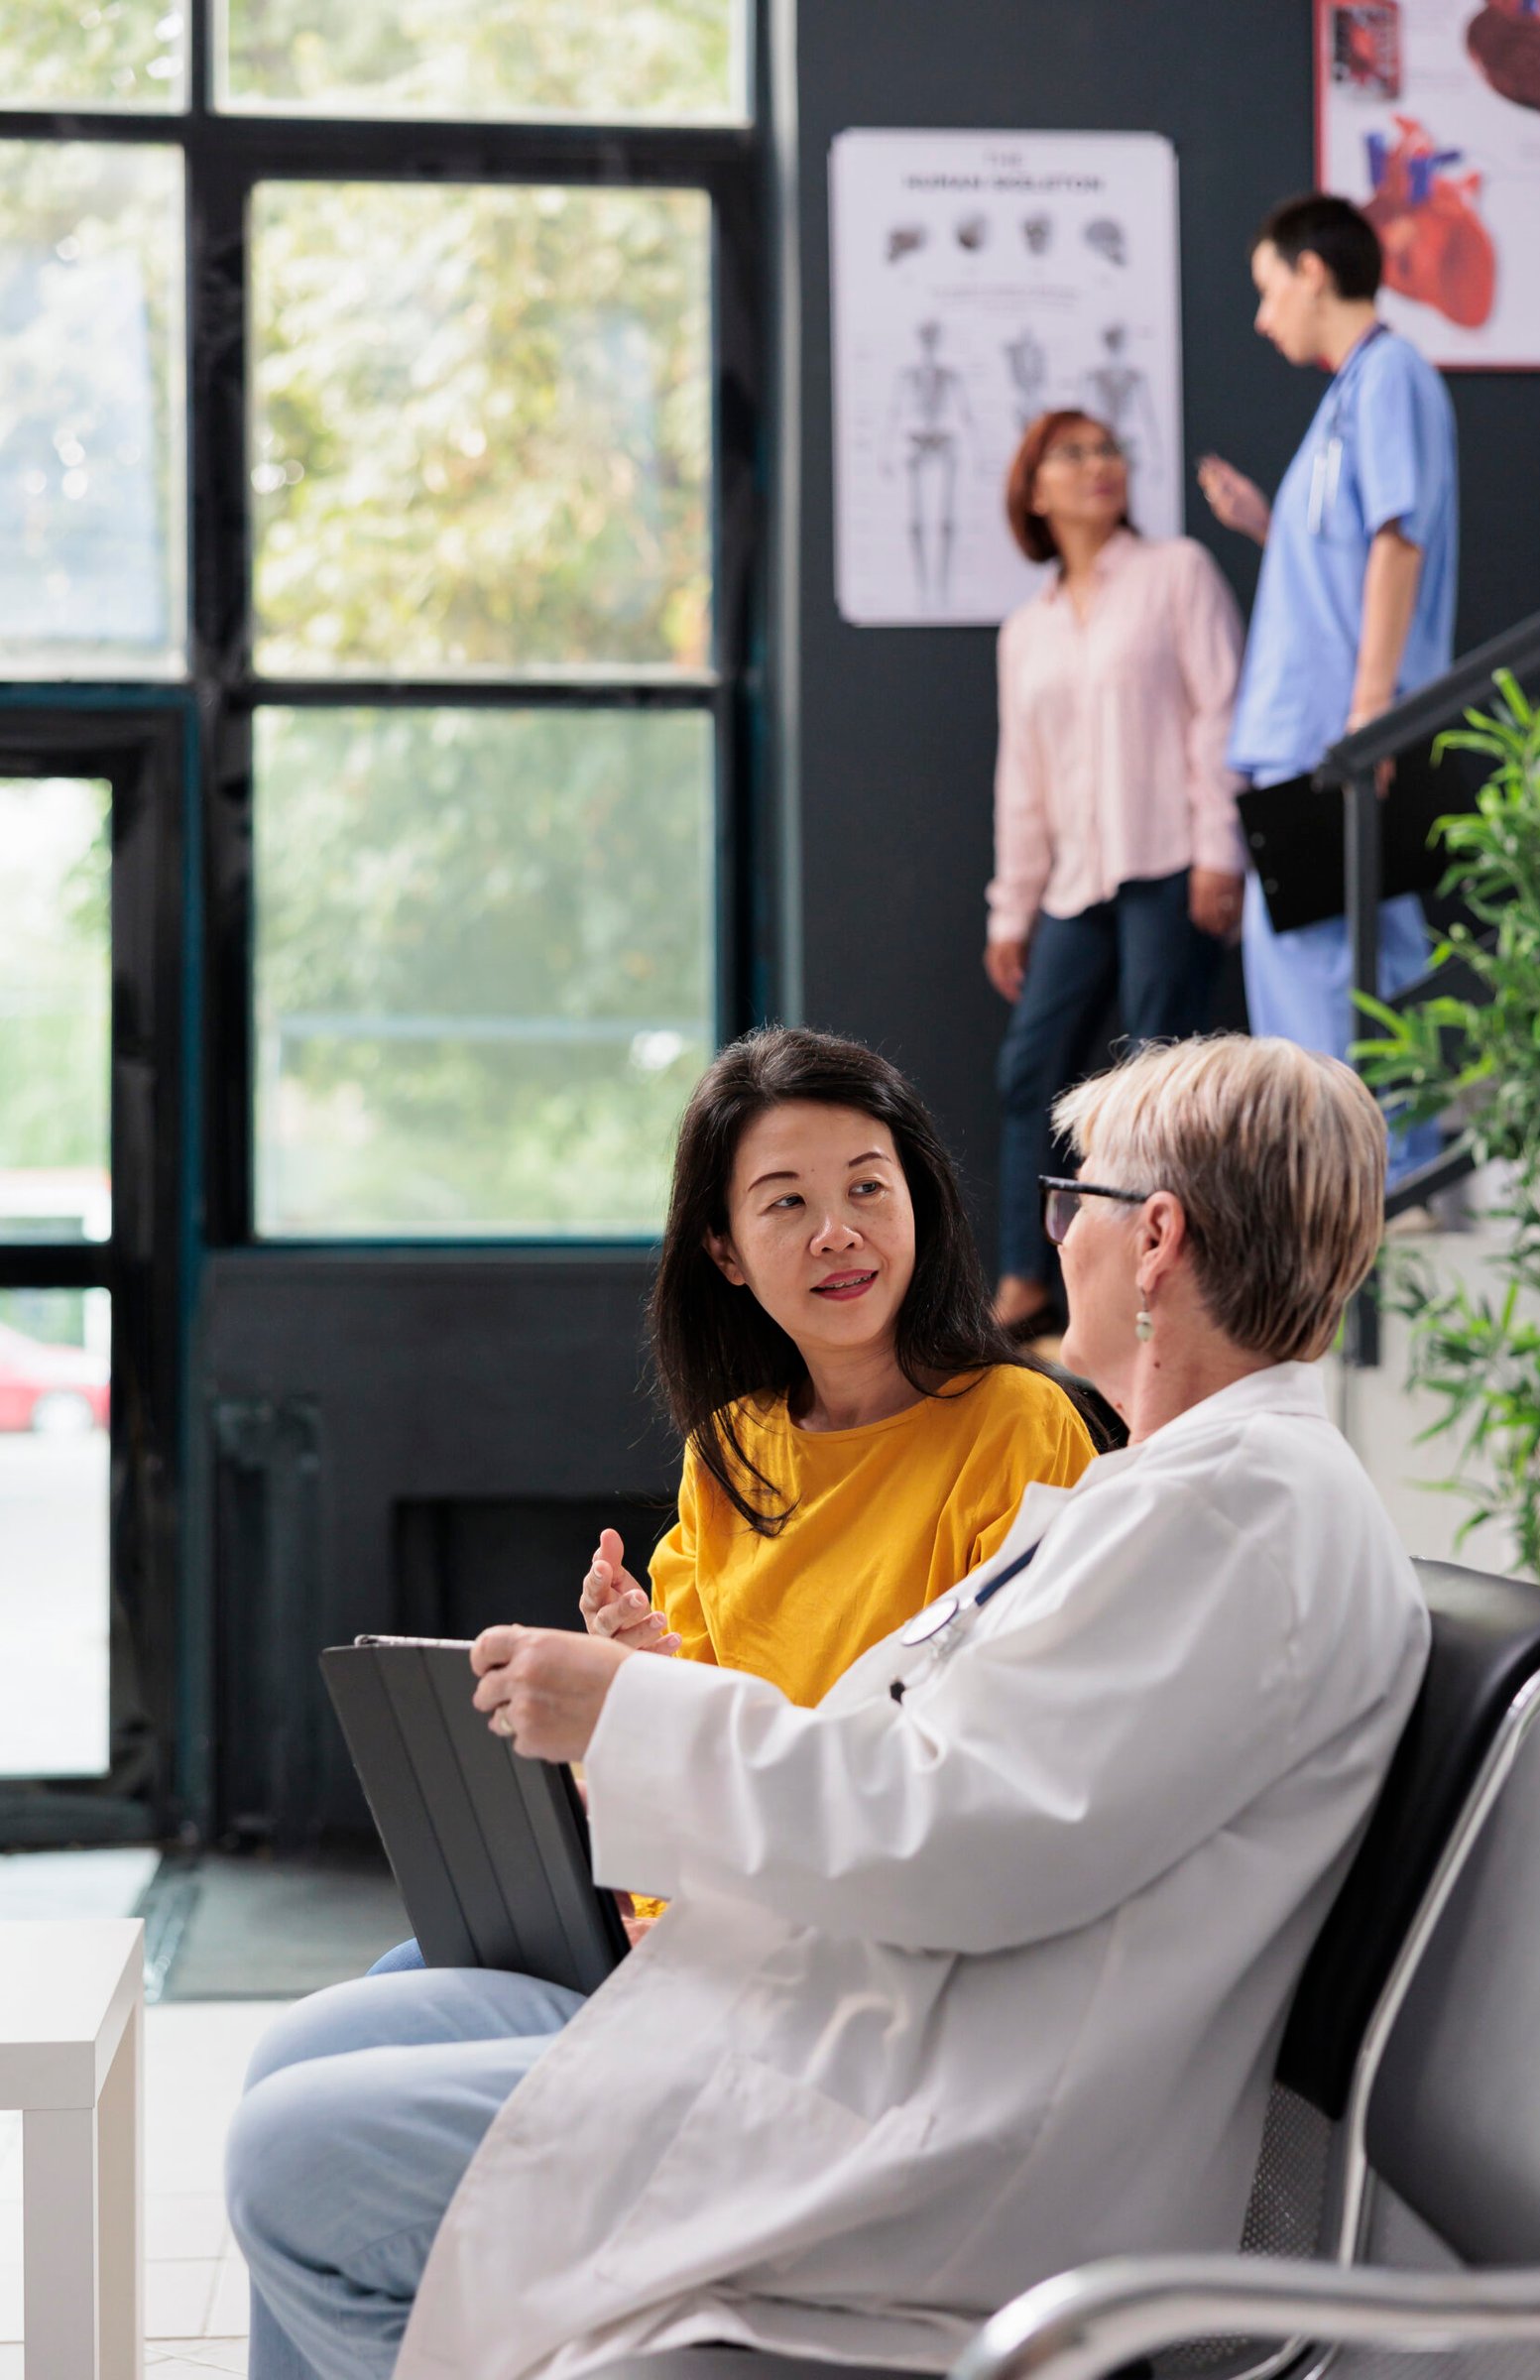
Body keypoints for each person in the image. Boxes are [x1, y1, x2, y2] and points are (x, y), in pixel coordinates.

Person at [226, 1033, 1429, 2380]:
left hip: (941, 2127)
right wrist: (647, 1702)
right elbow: (938, 1769)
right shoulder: (1196, 1493)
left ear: (1152, 1238)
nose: (1058, 1239)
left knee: (305, 2163)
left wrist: (630, 1716)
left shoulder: (1225, 1515)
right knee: (309, 2099)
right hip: (885, 2036)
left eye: (1072, 1202)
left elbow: (949, 1826)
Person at [367, 1022, 1096, 1969]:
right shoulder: (730, 1448)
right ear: (726, 1252)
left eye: (868, 1188)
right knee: (386, 1985)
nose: (837, 1232)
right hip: (702, 1919)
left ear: (919, 1202)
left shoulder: (1017, 1427)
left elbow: (978, 1788)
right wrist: (640, 1672)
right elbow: (678, 1760)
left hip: (850, 1948)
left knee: (327, 2086)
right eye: (786, 1203)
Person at [1199, 190, 1457, 1183]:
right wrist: (1270, 524)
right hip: (1315, 731)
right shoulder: (1350, 395)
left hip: (1335, 738)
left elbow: (1398, 538)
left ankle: (1362, 1190)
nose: (1265, 319)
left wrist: (1369, 711)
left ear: (1312, 273)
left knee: (1331, 968)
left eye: (1269, 291)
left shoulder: (1389, 378)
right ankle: (1377, 1179)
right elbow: (1351, 550)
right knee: (1352, 961)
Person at [988, 409, 1246, 1339]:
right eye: (1073, 454)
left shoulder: (1177, 573)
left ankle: (1154, 1280)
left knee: (1153, 1074)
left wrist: (1222, 851)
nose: (1100, 465)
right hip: (1075, 882)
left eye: (1109, 449)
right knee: (1030, 1071)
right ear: (1035, 491)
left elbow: (1220, 717)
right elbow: (1024, 776)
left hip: (1169, 861)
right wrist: (1010, 908)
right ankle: (1024, 1276)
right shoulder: (1029, 629)